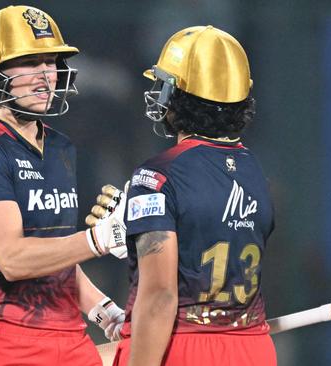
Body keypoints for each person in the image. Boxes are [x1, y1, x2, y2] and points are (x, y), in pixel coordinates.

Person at [0, 6, 128, 366]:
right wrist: (98, 239)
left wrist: (103, 310)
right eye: (30, 63)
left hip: (71, 338)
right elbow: (13, 259)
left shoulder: (61, 148)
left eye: (50, 62)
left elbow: (53, 253)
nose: (46, 76)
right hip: (5, 341)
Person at [113, 26, 277, 366]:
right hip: (252, 347)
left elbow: (159, 297)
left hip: (183, 347)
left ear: (179, 97)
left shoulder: (157, 174)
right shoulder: (254, 171)